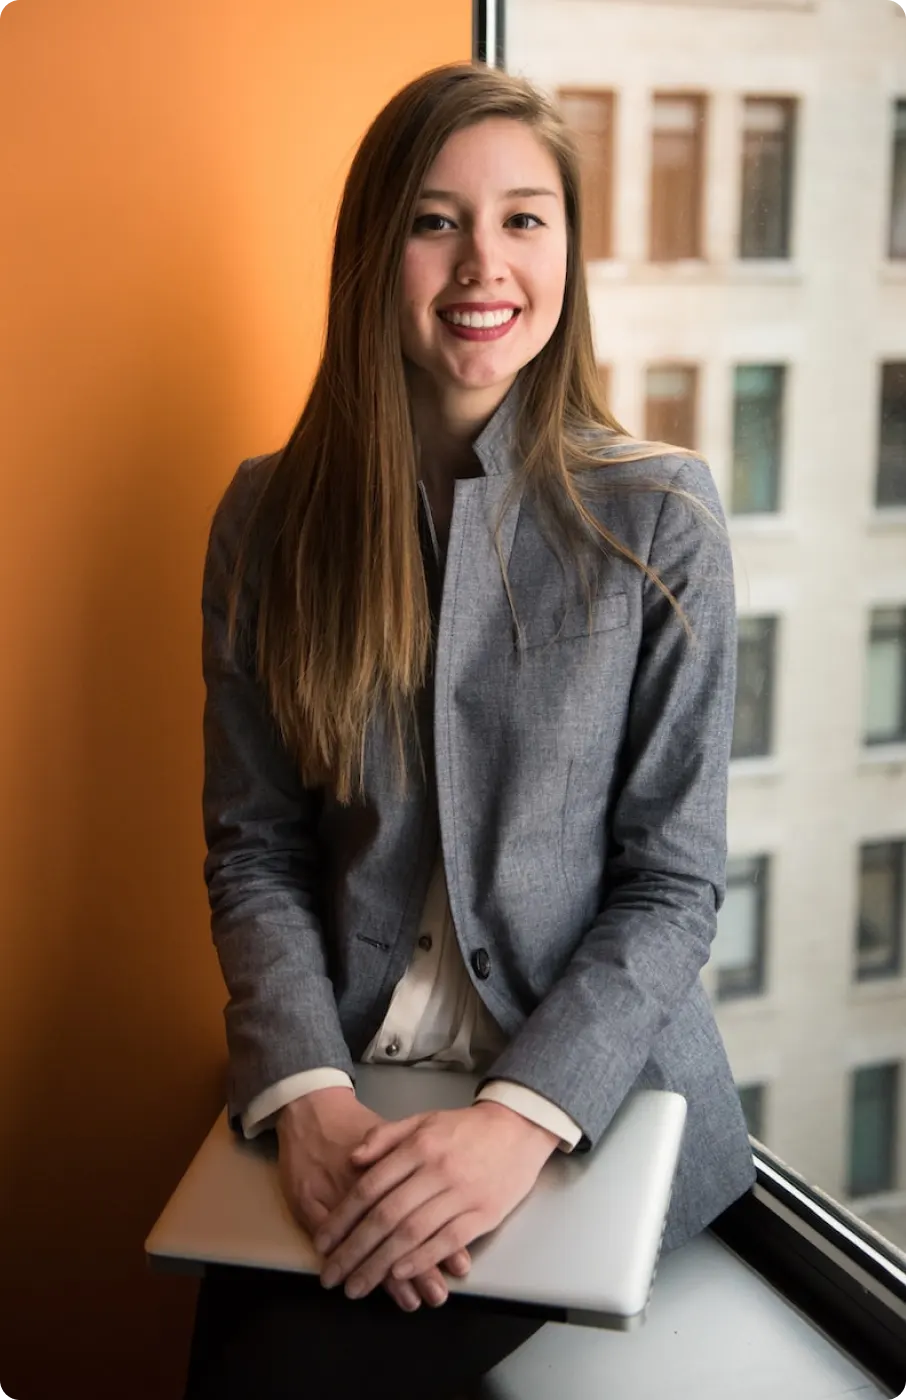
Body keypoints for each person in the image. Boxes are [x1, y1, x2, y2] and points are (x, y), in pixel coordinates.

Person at [185, 60, 756, 1400]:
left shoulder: (660, 516)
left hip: (581, 1100)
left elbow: (671, 884)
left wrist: (516, 1123)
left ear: (565, 253)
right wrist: (307, 1099)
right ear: (374, 253)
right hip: (350, 1083)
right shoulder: (265, 519)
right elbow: (253, 849)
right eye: (435, 220)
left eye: (522, 219)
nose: (479, 266)